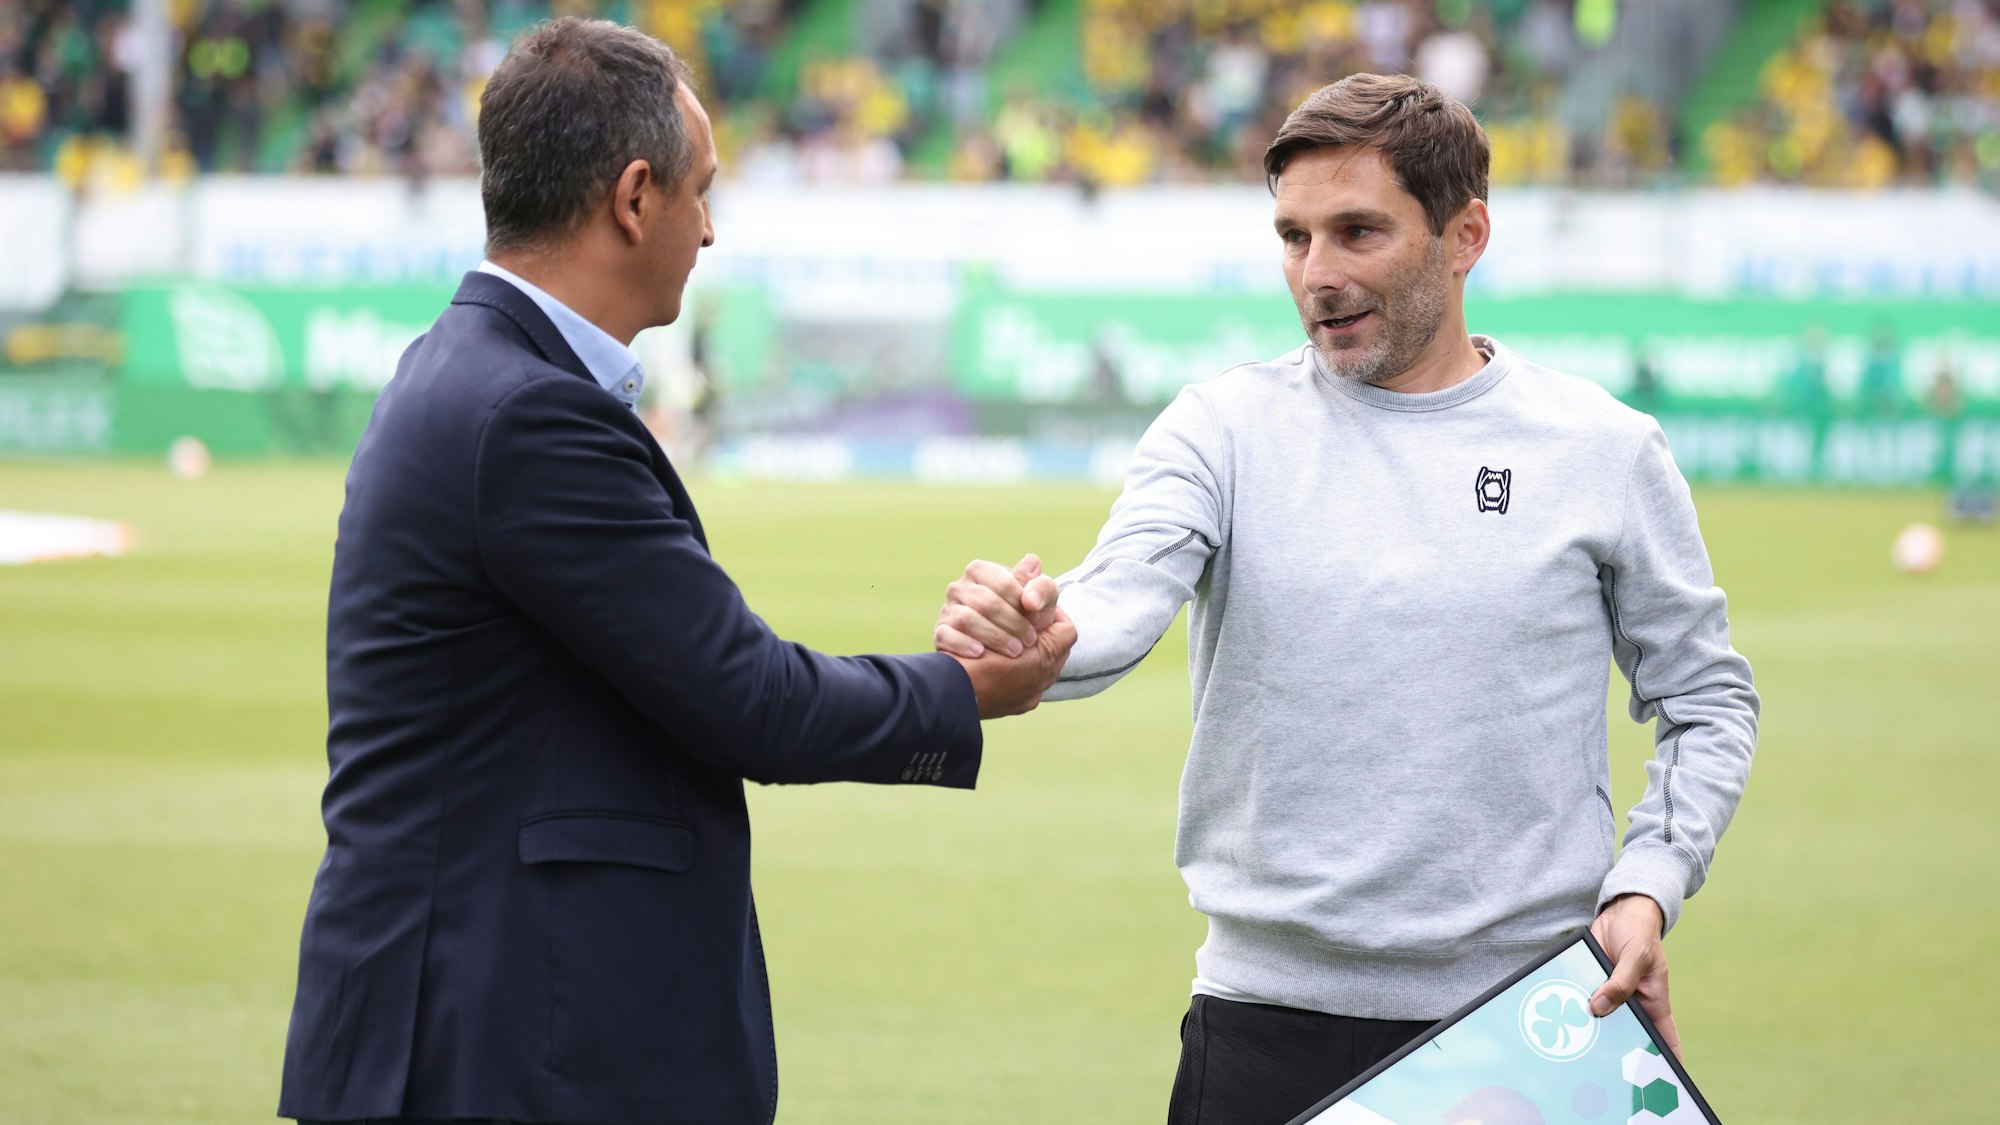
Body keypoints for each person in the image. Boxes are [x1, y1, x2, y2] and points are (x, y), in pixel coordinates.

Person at [278, 19, 1073, 1125]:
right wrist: (968, 687)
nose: (708, 229)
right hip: (501, 1043)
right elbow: (752, 701)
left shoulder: (471, 375)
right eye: (701, 191)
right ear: (634, 197)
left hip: (477, 1027)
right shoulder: (526, 414)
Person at [935, 74, 1759, 1125]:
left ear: (1464, 237)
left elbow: (1705, 700)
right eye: (1294, 237)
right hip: (1261, 1026)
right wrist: (1039, 634)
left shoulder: (1602, 449)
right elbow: (1114, 600)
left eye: (1357, 232)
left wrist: (1647, 884)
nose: (1317, 274)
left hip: (1528, 1019)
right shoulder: (1222, 429)